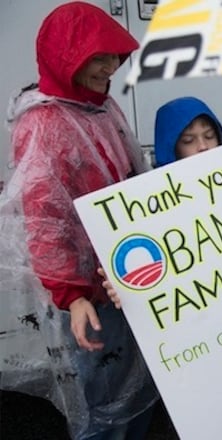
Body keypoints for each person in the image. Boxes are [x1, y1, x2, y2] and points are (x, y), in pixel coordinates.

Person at [0, 2, 158, 439]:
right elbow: (45, 218)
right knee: (104, 400)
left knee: (137, 387)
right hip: (92, 294)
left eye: (115, 57)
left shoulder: (103, 108)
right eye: (98, 57)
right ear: (65, 57)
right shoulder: (46, 122)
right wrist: (73, 296)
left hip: (127, 275)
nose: (110, 68)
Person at [103, 96, 222, 308]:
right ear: (171, 148)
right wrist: (125, 290)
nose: (203, 146)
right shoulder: (147, 208)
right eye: (188, 141)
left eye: (210, 136)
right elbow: (149, 279)